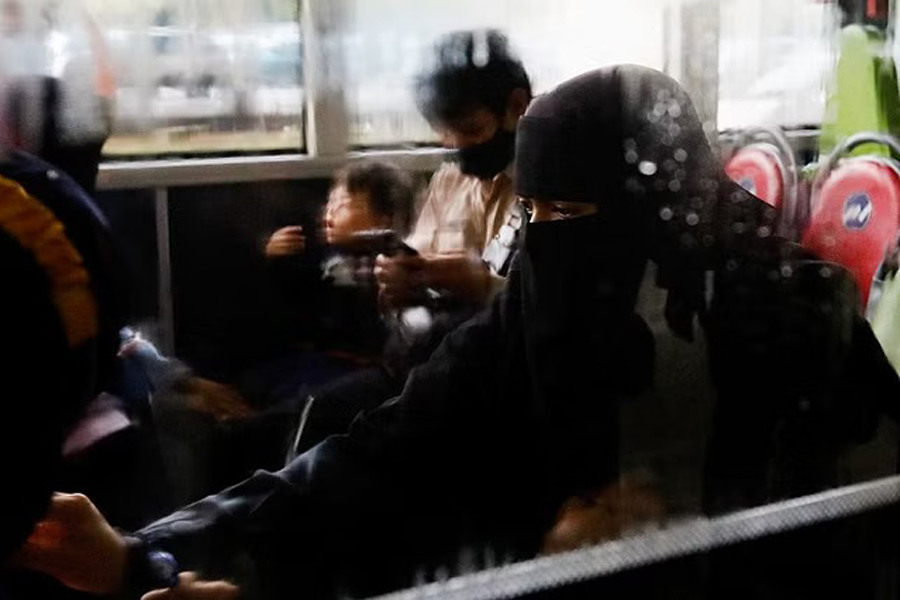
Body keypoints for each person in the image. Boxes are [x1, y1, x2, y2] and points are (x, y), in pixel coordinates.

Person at [14, 66, 900, 599]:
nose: (551, 238)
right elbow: (383, 451)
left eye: (577, 211)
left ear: (657, 211)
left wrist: (629, 564)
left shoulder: (786, 322)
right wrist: (152, 550)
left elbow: (845, 544)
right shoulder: (534, 312)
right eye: (539, 212)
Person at [374, 28, 530, 313]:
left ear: (516, 107)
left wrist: (483, 286)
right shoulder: (448, 181)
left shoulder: (548, 191)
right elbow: (419, 256)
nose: (457, 145)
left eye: (471, 129)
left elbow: (554, 304)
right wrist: (400, 276)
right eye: (444, 132)